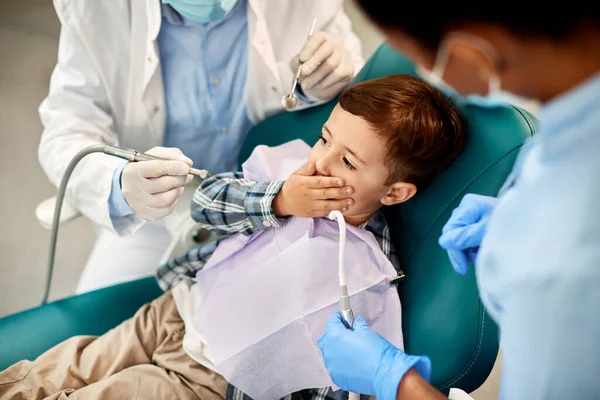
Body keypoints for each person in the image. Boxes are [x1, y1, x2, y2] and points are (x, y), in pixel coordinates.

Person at [1, 75, 466, 399]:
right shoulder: (288, 174)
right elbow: (207, 202)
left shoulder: (365, 277)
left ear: (396, 191)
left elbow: (329, 377)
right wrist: (279, 200)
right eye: (325, 139)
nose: (320, 162)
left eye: (348, 163)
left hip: (208, 379)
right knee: (63, 369)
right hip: (176, 311)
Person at [318, 5, 600, 400]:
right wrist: (519, 214)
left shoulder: (559, 277)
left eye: (417, 60)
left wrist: (397, 383)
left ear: (471, 55)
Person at [38, 0, 364, 293]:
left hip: (274, 194)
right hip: (156, 218)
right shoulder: (95, 9)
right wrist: (118, 184)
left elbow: (365, 107)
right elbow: (67, 131)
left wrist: (326, 84)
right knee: (95, 343)